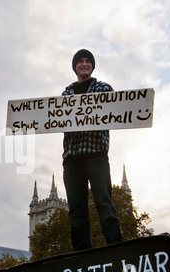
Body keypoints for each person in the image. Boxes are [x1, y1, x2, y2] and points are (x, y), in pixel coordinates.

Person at [62, 49, 123, 251]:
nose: (84, 64)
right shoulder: (66, 93)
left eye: (88, 61)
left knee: (104, 203)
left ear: (92, 66)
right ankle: (82, 254)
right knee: (76, 210)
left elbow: (116, 112)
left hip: (96, 154)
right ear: (75, 67)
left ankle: (116, 248)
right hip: (72, 158)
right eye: (80, 61)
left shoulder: (103, 88)